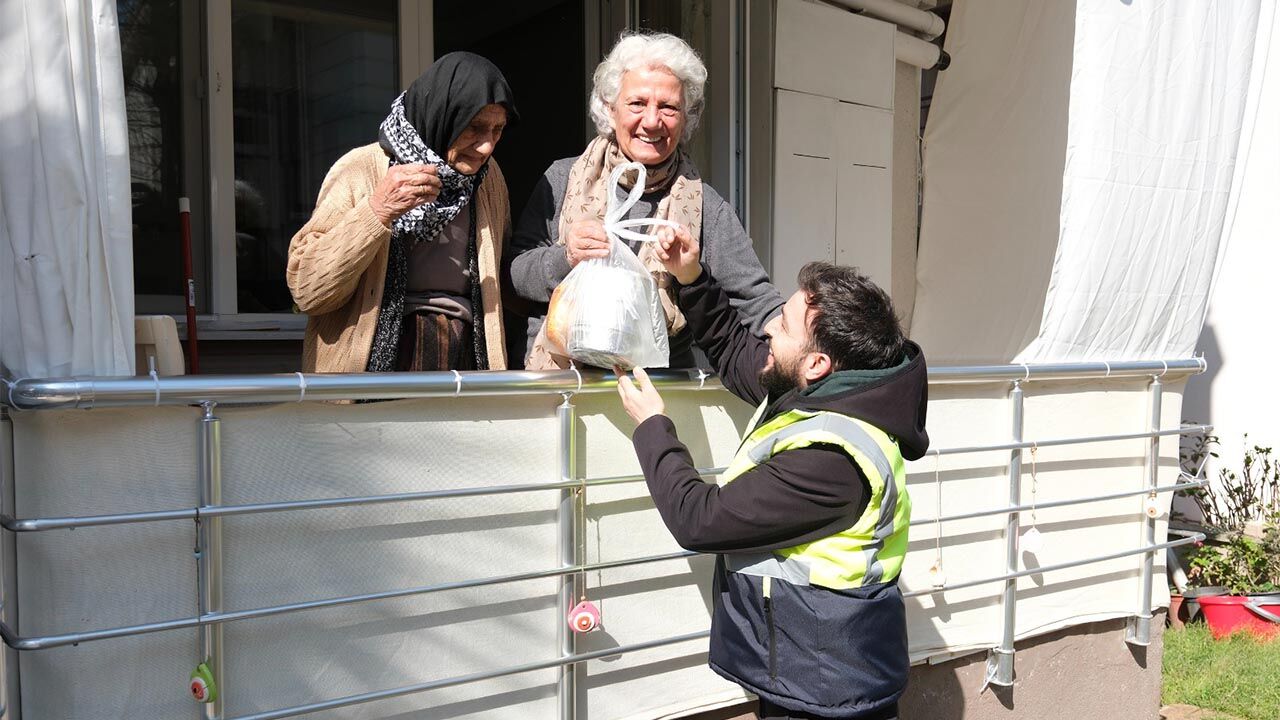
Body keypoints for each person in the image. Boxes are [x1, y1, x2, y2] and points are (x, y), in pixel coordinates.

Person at [615, 225, 929, 720]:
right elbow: (739, 355)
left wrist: (653, 425)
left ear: (818, 363)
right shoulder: (827, 394)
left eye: (783, 326)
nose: (767, 330)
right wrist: (692, 277)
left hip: (826, 692)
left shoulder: (831, 461)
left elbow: (700, 520)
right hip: (810, 670)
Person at [509, 32, 781, 369]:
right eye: (637, 103)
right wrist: (566, 257)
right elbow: (516, 275)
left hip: (656, 395)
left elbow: (756, 300)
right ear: (609, 109)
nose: (652, 122)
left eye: (668, 107)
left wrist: (805, 346)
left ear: (687, 118)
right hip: (561, 391)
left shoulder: (705, 207)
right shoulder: (561, 180)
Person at [288, 52, 518, 373]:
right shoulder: (361, 169)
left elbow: (505, 277)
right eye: (475, 127)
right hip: (378, 374)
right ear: (441, 115)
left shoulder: (487, 179)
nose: (486, 146)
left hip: (465, 365)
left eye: (497, 130)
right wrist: (377, 211)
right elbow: (307, 291)